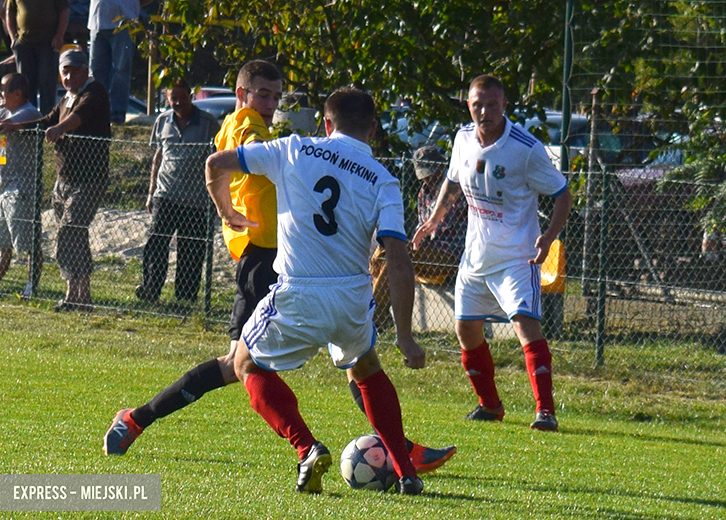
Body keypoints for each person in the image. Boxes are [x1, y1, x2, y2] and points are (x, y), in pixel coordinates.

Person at [104, 62, 455, 478]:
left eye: (276, 95)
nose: (270, 104)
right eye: (262, 95)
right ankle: (138, 419)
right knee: (239, 364)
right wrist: (227, 211)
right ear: (241, 95)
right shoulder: (249, 127)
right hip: (266, 261)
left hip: (299, 262)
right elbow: (226, 157)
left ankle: (397, 452)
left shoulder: (288, 144)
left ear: (327, 122)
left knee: (348, 362)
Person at [206, 86, 425, 494]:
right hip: (351, 297)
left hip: (299, 292)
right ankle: (406, 473)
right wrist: (406, 335)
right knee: (366, 368)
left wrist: (226, 210)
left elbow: (216, 163)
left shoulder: (293, 149)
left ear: (326, 123)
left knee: (245, 365)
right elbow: (397, 256)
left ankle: (307, 448)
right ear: (373, 130)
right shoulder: (384, 180)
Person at [412, 75, 573, 431]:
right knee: (465, 331)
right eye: (477, 104)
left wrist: (547, 238)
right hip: (475, 257)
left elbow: (563, 194)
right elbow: (453, 182)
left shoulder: (524, 148)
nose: (484, 111)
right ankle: (490, 405)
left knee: (524, 327)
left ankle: (545, 411)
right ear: (468, 104)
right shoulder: (463, 139)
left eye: (492, 104)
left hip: (517, 256)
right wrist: (433, 220)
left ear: (504, 106)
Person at [0, 48, 111, 311]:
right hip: (64, 180)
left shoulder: (94, 92)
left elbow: (78, 117)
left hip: (87, 179)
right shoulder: (67, 98)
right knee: (75, 236)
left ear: (85, 69)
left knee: (70, 232)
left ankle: (79, 296)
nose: (69, 75)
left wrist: (60, 128)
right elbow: (47, 120)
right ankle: (78, 296)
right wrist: (14, 127)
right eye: (65, 71)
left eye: (74, 70)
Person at [135, 78, 220, 303]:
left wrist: (216, 200)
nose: (179, 103)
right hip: (166, 195)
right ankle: (150, 289)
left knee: (191, 251)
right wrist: (151, 192)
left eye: (183, 97)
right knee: (156, 244)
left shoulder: (208, 123)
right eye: (174, 98)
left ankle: (185, 297)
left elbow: (218, 161)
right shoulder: (162, 121)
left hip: (197, 200)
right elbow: (158, 157)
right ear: (167, 97)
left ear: (191, 96)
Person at [370, 145, 467, 329]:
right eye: (425, 176)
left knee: (402, 253)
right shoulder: (423, 192)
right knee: (382, 251)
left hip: (450, 254)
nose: (429, 180)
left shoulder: (454, 190)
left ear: (441, 168)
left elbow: (440, 226)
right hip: (428, 251)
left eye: (432, 174)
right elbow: (421, 227)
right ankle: (376, 310)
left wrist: (423, 236)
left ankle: (377, 312)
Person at [0, 72, 42, 294]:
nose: (1, 94)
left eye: (4, 90)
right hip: (2, 185)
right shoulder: (4, 110)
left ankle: (30, 286)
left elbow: (8, 125)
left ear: (17, 93)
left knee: (28, 243)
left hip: (22, 187)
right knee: (2, 244)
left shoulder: (29, 113)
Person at [87, 0, 153, 125]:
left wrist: (131, 6)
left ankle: (116, 115)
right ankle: (96, 114)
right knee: (95, 72)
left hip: (125, 23)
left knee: (120, 70)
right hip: (97, 21)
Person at [4, 0, 69, 115]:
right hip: (24, 44)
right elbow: (10, 11)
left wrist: (59, 35)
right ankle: (28, 122)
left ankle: (47, 123)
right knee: (25, 87)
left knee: (47, 85)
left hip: (48, 44)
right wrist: (13, 38)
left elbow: (64, 10)